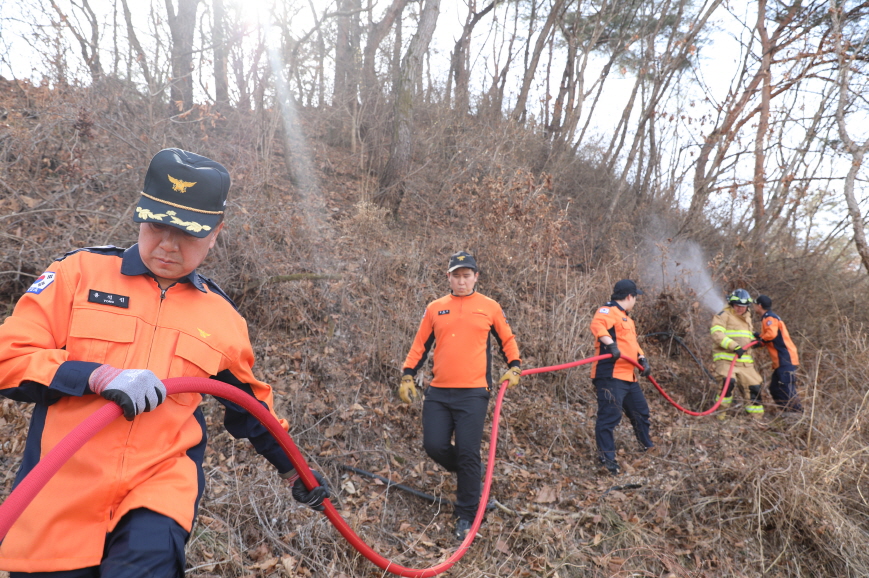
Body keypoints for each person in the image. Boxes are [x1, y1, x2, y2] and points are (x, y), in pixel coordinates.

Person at [0, 149, 330, 577]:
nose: (169, 245)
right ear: (140, 215)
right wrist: (96, 376)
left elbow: (252, 409)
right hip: (58, 490)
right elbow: (10, 358)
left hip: (159, 489)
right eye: (157, 225)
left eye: (188, 232)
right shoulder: (77, 274)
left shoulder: (222, 319)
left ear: (215, 233)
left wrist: (295, 469)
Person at [398, 251, 521, 541]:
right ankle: (471, 477)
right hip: (439, 392)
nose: (462, 281)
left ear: (476, 277)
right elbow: (420, 345)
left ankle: (466, 514)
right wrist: (407, 374)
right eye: (456, 276)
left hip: (474, 393)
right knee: (434, 445)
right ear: (448, 278)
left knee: (468, 452)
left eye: (467, 276)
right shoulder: (435, 308)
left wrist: (514, 366)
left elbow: (507, 339)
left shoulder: (489, 307)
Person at [589, 279, 655, 476]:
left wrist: (642, 358)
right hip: (610, 375)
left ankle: (647, 448)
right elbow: (597, 326)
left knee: (641, 412)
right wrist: (611, 345)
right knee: (610, 416)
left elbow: (631, 344)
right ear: (629, 296)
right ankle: (607, 460)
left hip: (629, 376)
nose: (635, 301)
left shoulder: (627, 318)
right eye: (635, 297)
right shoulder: (608, 311)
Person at [710, 289, 764, 419]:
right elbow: (717, 334)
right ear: (732, 303)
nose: (740, 308)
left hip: (745, 363)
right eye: (737, 305)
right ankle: (720, 416)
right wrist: (734, 346)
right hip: (726, 360)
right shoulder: (723, 315)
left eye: (743, 306)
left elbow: (743, 336)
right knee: (727, 383)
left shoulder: (747, 317)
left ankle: (757, 419)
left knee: (754, 387)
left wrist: (754, 340)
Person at [753, 295, 803, 414]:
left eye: (755, 304)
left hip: (785, 358)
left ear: (759, 306)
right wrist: (758, 336)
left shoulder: (769, 318)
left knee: (786, 388)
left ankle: (797, 414)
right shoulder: (768, 318)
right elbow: (771, 337)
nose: (753, 307)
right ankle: (786, 412)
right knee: (775, 388)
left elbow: (771, 334)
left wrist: (761, 341)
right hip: (781, 360)